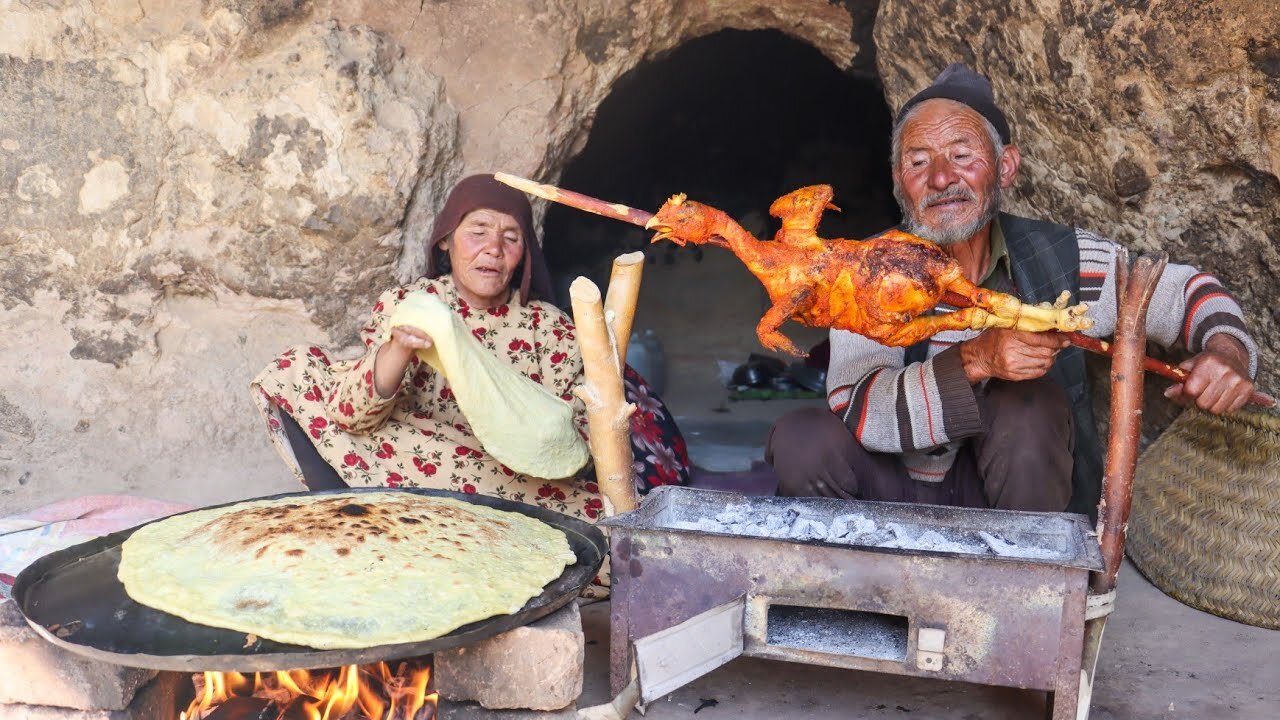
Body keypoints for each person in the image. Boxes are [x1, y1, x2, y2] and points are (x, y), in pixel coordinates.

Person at [766, 64, 1258, 517]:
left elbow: (1185, 291)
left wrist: (1227, 352)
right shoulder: (863, 272)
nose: (941, 178)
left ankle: (1026, 590)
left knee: (1029, 403)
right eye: (918, 163)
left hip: (1010, 504)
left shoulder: (1062, 259)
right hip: (889, 495)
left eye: (962, 156)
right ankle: (855, 592)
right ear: (900, 182)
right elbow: (862, 410)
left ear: (1005, 168)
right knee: (801, 439)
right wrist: (976, 360)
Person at [251, 174, 689, 530]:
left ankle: (434, 529)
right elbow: (352, 414)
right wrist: (399, 347)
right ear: (447, 241)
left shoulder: (549, 330)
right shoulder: (413, 304)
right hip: (414, 463)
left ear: (524, 254)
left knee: (617, 539)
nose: (493, 249)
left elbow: (571, 453)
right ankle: (354, 519)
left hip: (514, 483)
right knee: (294, 370)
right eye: (477, 232)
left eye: (510, 238)